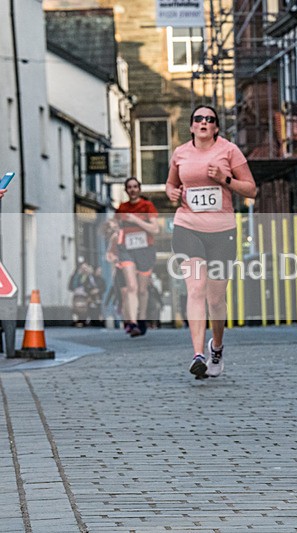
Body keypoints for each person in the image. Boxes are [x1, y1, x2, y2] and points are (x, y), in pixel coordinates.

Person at [166, 104, 256, 380]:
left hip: (222, 232)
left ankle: (216, 347)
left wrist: (225, 179)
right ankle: (197, 355)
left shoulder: (229, 150)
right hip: (187, 228)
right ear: (192, 126)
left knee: (216, 299)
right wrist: (171, 193)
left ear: (216, 127)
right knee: (195, 288)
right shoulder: (180, 153)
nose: (204, 122)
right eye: (198, 119)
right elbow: (170, 184)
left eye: (210, 119)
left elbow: (251, 188)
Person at [110, 177, 159, 337]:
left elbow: (155, 229)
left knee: (142, 289)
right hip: (127, 250)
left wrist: (135, 219)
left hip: (145, 250)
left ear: (139, 189)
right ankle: (133, 322)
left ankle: (142, 319)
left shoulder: (147, 206)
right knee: (131, 287)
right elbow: (116, 229)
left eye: (135, 187)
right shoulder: (121, 208)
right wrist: (113, 231)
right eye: (129, 187)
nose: (132, 189)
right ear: (126, 190)